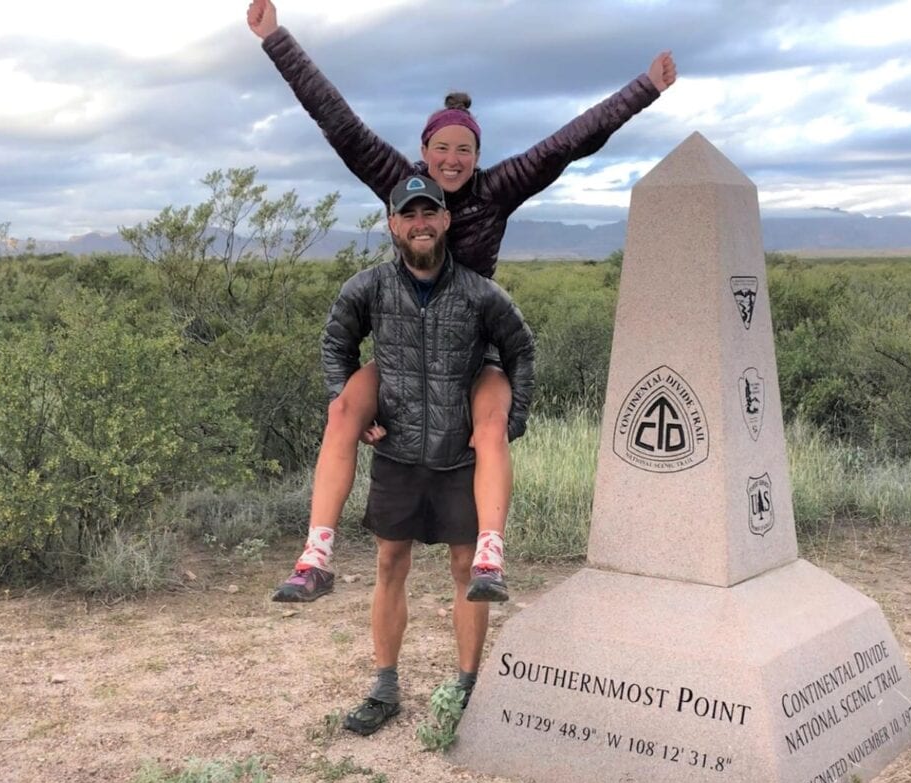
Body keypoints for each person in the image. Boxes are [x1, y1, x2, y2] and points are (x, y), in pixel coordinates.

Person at [247, 0, 676, 605]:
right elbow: (337, 121)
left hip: (470, 352)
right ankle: (315, 555)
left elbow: (569, 143)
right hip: (403, 340)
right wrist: (275, 39)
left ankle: (490, 556)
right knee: (343, 410)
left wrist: (644, 90)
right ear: (424, 151)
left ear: (476, 155)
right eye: (441, 149)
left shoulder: (498, 190)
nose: (452, 160)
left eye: (464, 151)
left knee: (492, 425)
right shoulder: (399, 182)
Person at [324, 174, 535, 734]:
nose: (420, 223)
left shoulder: (480, 293)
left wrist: (510, 422)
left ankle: (466, 689)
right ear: (393, 224)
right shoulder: (367, 288)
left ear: (445, 220)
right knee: (389, 564)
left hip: (459, 455)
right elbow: (336, 343)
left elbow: (521, 349)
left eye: (430, 212)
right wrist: (349, 402)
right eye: (408, 214)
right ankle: (385, 687)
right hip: (398, 450)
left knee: (467, 569)